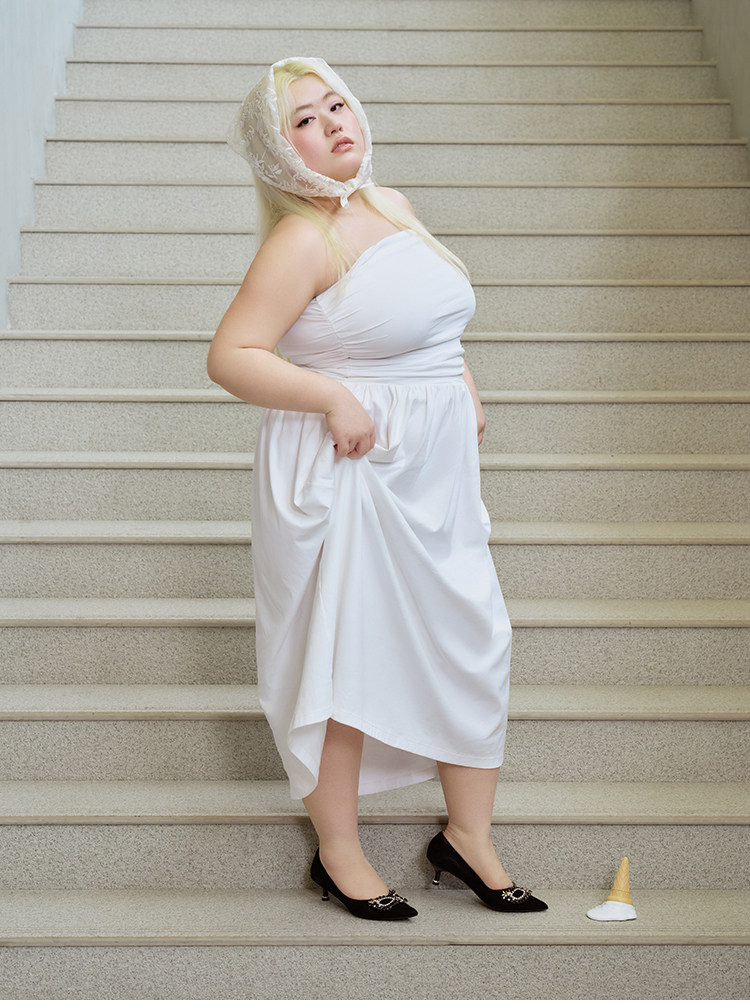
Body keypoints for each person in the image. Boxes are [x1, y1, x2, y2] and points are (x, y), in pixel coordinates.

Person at [207, 57, 547, 920]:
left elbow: (432, 322)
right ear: (279, 153)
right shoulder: (299, 241)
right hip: (350, 472)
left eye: (337, 105)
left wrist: (461, 380)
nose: (333, 124)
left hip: (435, 471)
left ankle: (467, 837)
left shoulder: (391, 204)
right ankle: (340, 851)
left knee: (474, 639)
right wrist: (330, 396)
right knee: (347, 655)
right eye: (305, 121)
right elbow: (231, 355)